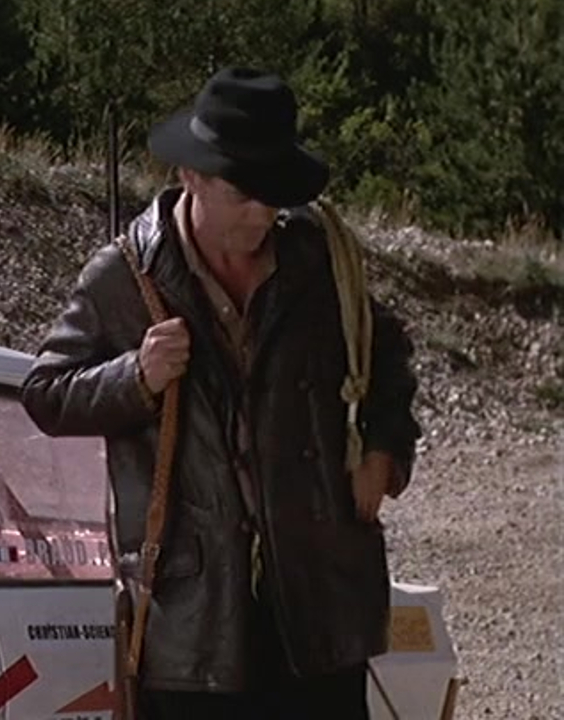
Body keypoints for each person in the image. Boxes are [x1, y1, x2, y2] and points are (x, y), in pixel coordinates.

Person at [21, 67, 421, 719]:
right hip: (196, 621)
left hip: (316, 603)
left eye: (274, 195)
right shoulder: (125, 276)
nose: (262, 212)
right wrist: (137, 376)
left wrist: (383, 450)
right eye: (244, 194)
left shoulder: (319, 262)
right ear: (191, 176)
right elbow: (46, 394)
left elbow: (388, 356)